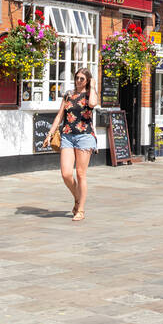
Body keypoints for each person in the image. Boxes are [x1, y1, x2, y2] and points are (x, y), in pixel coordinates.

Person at [44, 66, 99, 222]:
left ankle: (80, 209)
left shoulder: (90, 94)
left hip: (85, 136)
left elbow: (93, 104)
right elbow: (60, 115)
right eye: (77, 78)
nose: (78, 81)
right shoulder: (68, 95)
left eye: (82, 78)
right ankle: (77, 197)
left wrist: (93, 87)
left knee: (81, 174)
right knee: (66, 173)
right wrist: (50, 134)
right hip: (67, 135)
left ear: (87, 80)